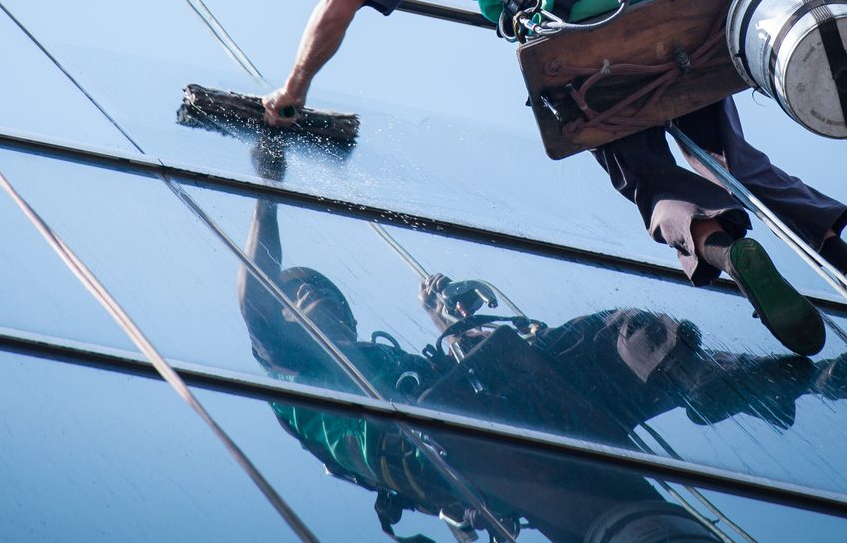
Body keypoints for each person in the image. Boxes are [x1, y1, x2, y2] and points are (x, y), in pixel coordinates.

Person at [262, 0, 847, 356]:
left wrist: (294, 86)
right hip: (666, 5)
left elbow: (340, 5)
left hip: (581, 31)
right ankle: (833, 245)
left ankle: (723, 245)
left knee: (646, 176)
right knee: (733, 158)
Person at [238, 199, 846, 543]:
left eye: (321, 292)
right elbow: (254, 302)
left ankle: (749, 381)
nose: (310, 299)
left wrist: (446, 323)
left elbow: (453, 375)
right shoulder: (296, 375)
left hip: (493, 415)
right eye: (297, 295)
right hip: (453, 452)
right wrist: (267, 184)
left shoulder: (380, 357)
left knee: (631, 332)